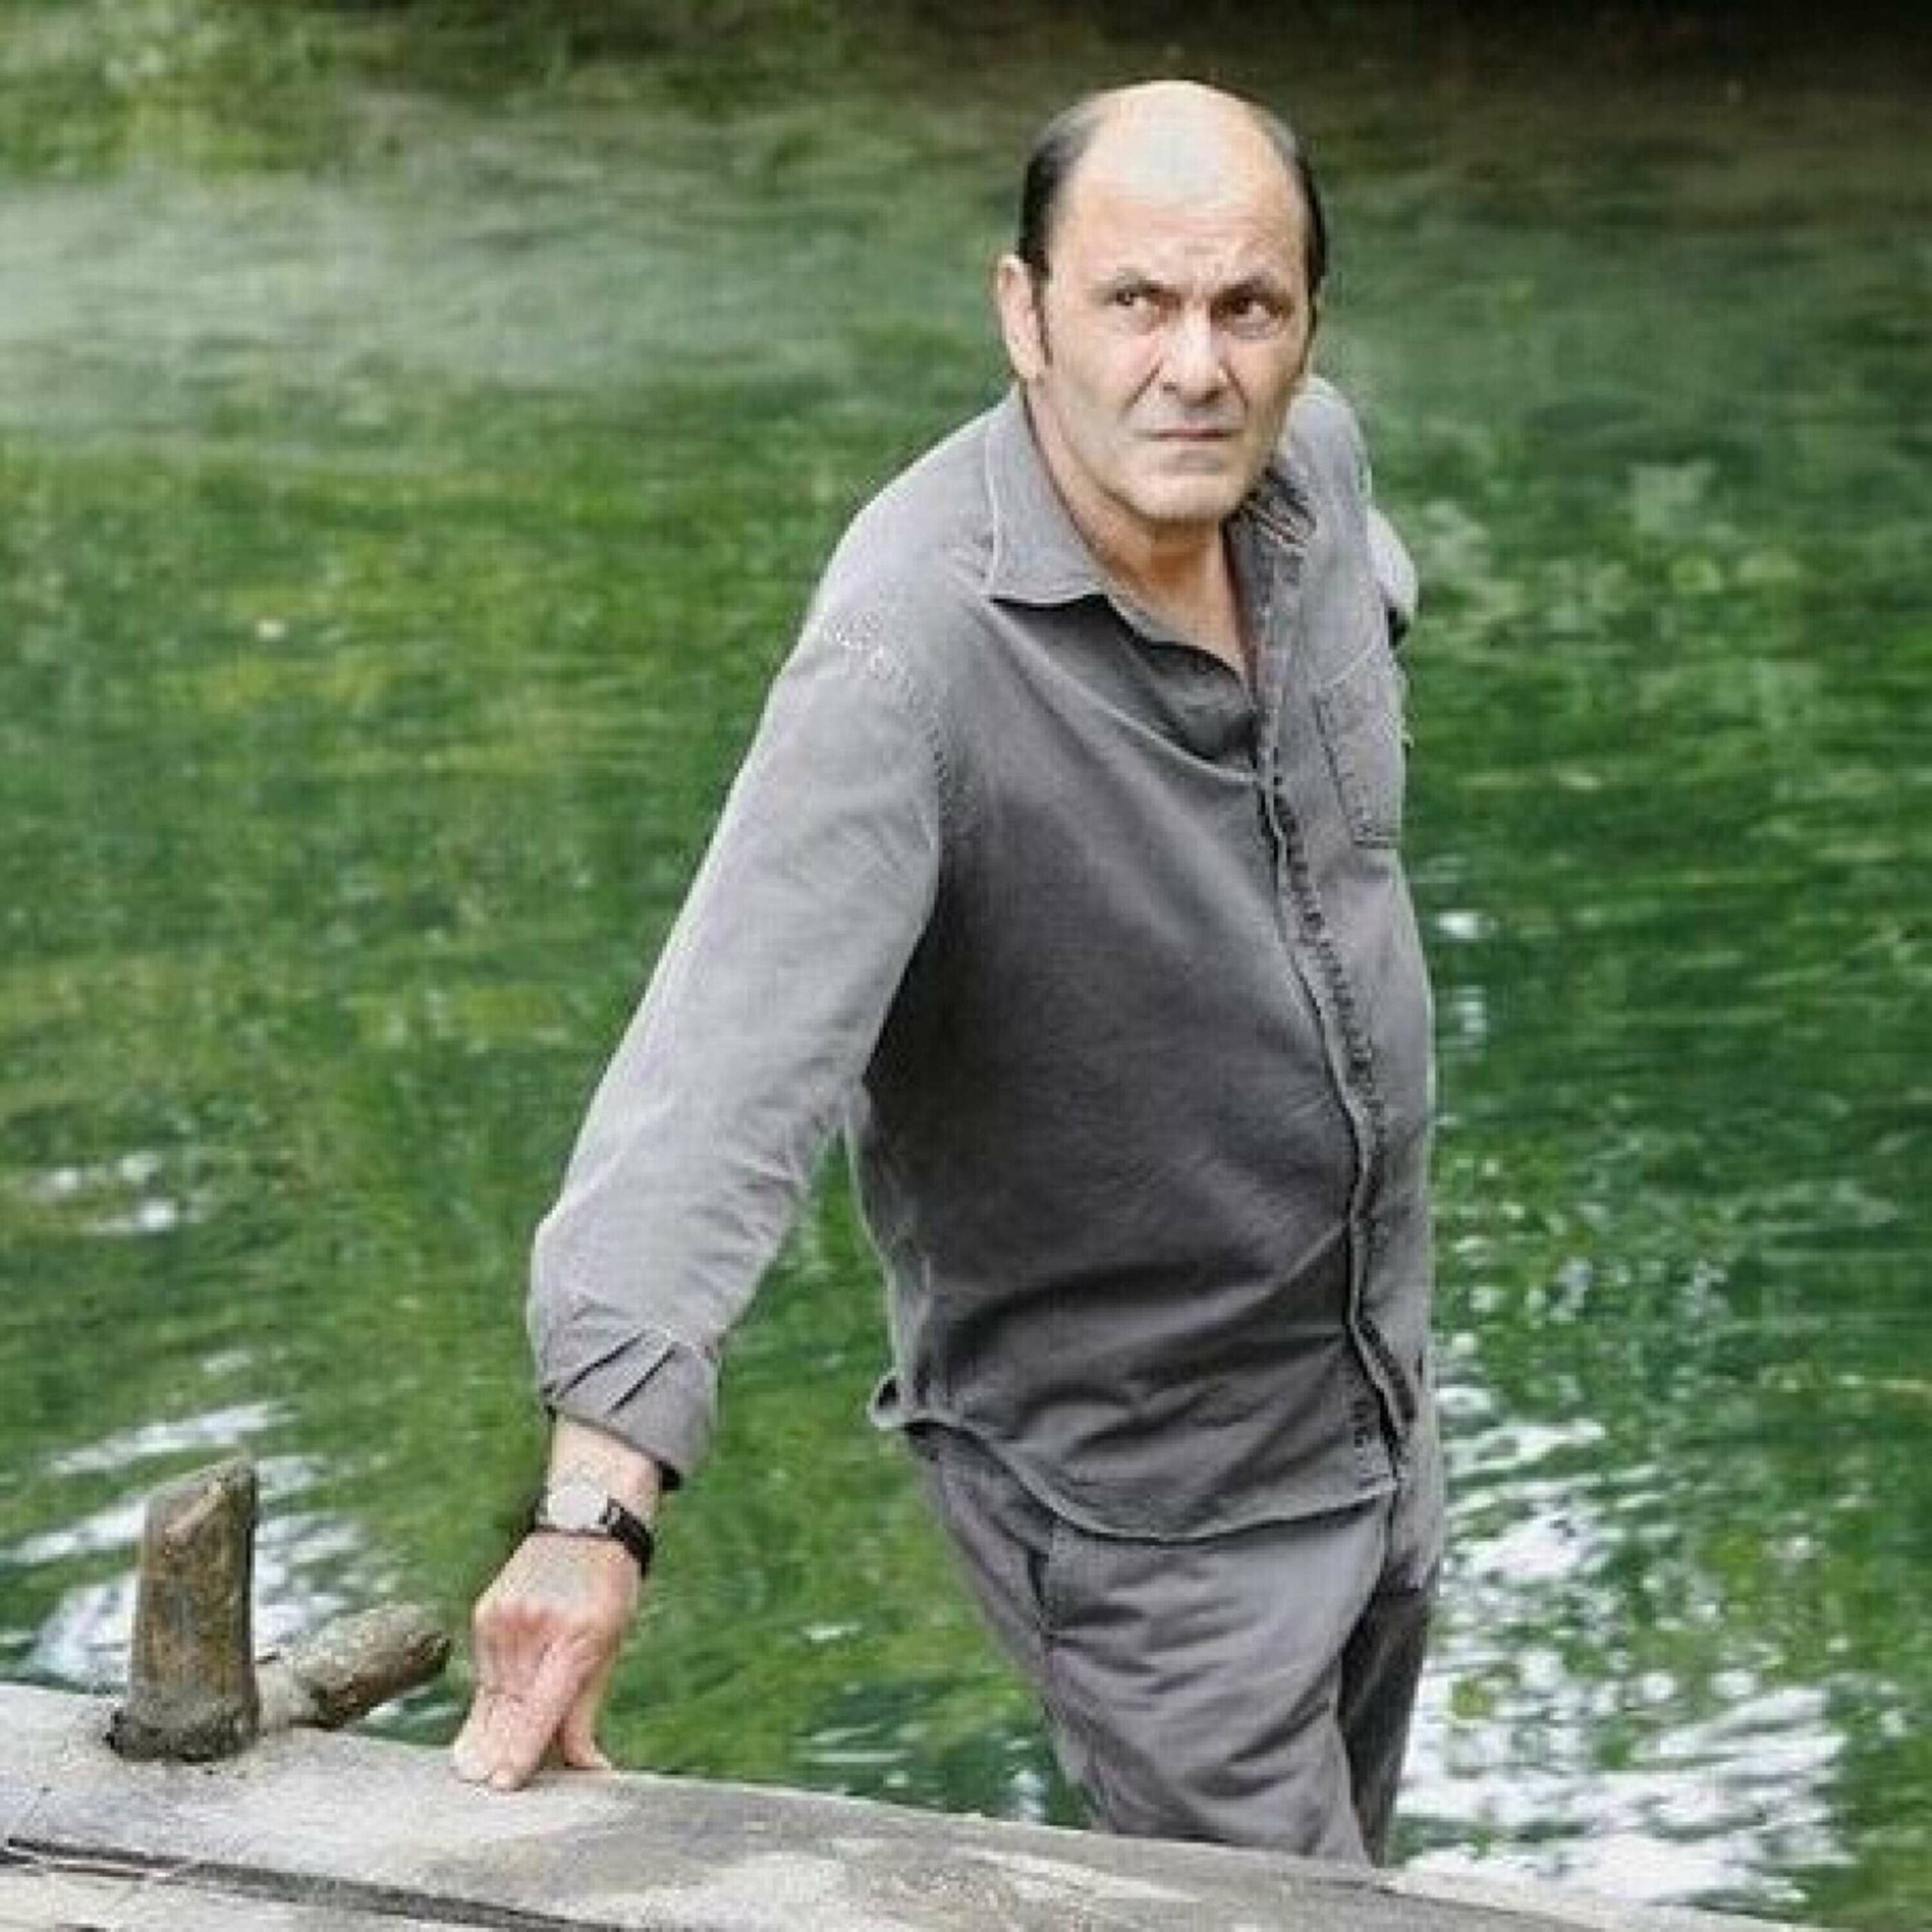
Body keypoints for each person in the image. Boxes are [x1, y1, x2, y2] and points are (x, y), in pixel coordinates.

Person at [453, 78, 1441, 1865]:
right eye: (1134, 302)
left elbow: (1369, 600)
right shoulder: (904, 663)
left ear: (1308, 320)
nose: (1195, 367)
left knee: (1354, 1879)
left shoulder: (1312, 478)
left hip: (1376, 1412)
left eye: (1247, 307)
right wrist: (593, 1515)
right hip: (1145, 1524)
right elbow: (718, 1082)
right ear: (1023, 312)